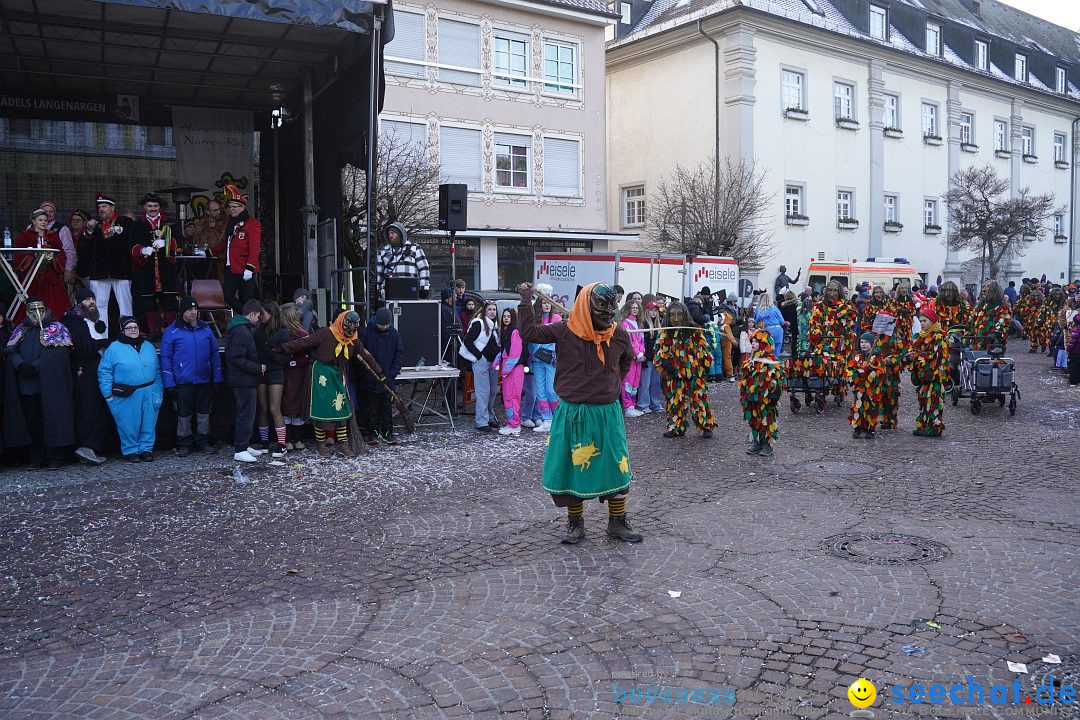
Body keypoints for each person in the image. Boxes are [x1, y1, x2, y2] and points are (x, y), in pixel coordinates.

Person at [517, 281, 640, 544]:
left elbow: (625, 362)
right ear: (586, 306)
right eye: (601, 308)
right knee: (573, 469)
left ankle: (617, 523)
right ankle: (576, 524)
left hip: (607, 415)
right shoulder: (565, 331)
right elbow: (528, 333)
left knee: (616, 468)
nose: (608, 314)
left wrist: (609, 384)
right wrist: (526, 300)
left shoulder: (619, 335)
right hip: (573, 414)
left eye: (612, 308)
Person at [280, 309, 383, 457]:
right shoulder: (325, 333)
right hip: (321, 373)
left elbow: (366, 356)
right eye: (348, 328)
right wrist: (281, 349)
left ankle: (342, 443)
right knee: (322, 411)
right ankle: (320, 444)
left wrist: (380, 373)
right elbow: (303, 343)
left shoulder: (353, 339)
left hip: (337, 373)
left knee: (341, 408)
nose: (350, 331)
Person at [2, 299, 75, 468]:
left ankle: (54, 457)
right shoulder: (21, 330)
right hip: (28, 385)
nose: (36, 314)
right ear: (26, 312)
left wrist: (36, 366)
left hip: (51, 385)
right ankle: (36, 457)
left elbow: (59, 355)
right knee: (32, 423)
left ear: (45, 310)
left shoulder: (57, 329)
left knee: (53, 419)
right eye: (31, 310)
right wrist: (20, 364)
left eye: (39, 310)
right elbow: (10, 350)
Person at [160, 297, 221, 456]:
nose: (194, 312)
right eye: (190, 310)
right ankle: (184, 443)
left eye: (195, 309)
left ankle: (203, 441)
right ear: (182, 312)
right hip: (183, 380)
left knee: (203, 413)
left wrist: (218, 376)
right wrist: (169, 382)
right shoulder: (171, 331)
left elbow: (215, 354)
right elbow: (165, 358)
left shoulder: (206, 328)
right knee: (184, 414)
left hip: (204, 379)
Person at [98, 316, 163, 463]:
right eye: (129, 327)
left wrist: (159, 389)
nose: (133, 330)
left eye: (136, 327)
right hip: (125, 394)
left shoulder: (148, 346)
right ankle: (131, 450)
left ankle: (146, 449)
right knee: (128, 424)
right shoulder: (113, 349)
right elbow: (104, 372)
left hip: (149, 390)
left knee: (149, 422)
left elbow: (158, 370)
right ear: (122, 330)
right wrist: (108, 394)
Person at [61, 288, 111, 465]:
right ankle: (85, 446)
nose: (91, 302)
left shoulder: (94, 320)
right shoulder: (73, 321)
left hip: (96, 369)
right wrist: (102, 343)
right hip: (84, 370)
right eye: (87, 299)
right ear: (78, 302)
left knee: (97, 407)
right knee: (88, 408)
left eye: (93, 298)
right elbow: (79, 348)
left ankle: (91, 447)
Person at [654, 301, 716, 440]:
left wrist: (704, 366)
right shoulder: (665, 333)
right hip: (675, 375)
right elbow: (660, 352)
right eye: (672, 316)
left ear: (685, 316)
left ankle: (706, 425)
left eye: (679, 315)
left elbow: (704, 350)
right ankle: (677, 427)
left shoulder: (694, 331)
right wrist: (666, 363)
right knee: (676, 401)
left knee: (699, 400)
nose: (676, 319)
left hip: (694, 373)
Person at [78, 193, 135, 334]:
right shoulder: (94, 225)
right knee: (98, 306)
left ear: (112, 207)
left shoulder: (125, 222)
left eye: (104, 206)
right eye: (99, 207)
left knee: (125, 307)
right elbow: (83, 247)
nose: (101, 209)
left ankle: (128, 336)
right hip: (99, 272)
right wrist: (89, 230)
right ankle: (99, 340)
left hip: (121, 271)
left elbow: (132, 243)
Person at [130, 192, 180, 337]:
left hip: (166, 268)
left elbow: (181, 242)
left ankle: (171, 332)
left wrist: (167, 242)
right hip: (147, 268)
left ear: (160, 207)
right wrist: (142, 249)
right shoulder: (138, 224)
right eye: (150, 206)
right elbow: (131, 244)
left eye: (155, 205)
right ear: (145, 207)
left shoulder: (169, 222)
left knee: (170, 300)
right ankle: (152, 332)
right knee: (148, 301)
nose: (153, 208)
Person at [225, 300, 266, 463]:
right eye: (257, 316)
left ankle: (244, 445)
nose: (258, 320)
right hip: (243, 380)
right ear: (252, 314)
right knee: (245, 414)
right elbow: (236, 358)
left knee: (246, 414)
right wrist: (258, 367)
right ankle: (240, 449)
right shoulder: (243, 331)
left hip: (242, 379)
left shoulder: (239, 328)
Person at [211, 185, 261, 314]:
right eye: (230, 207)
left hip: (245, 268)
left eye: (234, 207)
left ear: (242, 208)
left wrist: (250, 268)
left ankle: (252, 324)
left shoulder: (252, 223)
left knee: (248, 299)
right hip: (230, 268)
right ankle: (247, 315)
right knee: (227, 296)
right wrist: (208, 252)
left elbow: (254, 248)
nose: (231, 209)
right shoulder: (232, 223)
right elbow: (225, 244)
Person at [358, 307, 404, 445]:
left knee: (386, 407)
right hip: (371, 378)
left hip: (388, 378)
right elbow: (361, 356)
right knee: (372, 407)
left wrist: (392, 373)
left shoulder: (394, 334)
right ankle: (372, 433)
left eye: (386, 325)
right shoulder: (366, 333)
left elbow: (399, 354)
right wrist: (369, 374)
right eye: (381, 324)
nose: (384, 327)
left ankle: (388, 432)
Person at [15, 209, 68, 321]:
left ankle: (54, 322)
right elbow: (18, 253)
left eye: (45, 220)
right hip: (32, 276)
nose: (43, 222)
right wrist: (32, 258)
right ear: (34, 221)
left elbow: (61, 253)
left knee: (55, 303)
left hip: (50, 275)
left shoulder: (52, 236)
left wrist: (53, 259)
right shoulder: (25, 235)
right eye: (40, 220)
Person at [739, 328, 783, 456]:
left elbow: (777, 379)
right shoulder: (750, 361)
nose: (752, 343)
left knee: (766, 419)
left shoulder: (770, 361)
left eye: (755, 341)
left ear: (763, 344)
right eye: (752, 341)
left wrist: (773, 396)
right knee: (754, 419)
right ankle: (757, 442)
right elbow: (746, 378)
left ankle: (767, 444)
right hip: (752, 397)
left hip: (766, 398)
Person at [459, 301, 501, 432]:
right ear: (485, 311)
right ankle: (481, 421)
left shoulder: (496, 325)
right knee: (483, 392)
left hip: (493, 362)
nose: (492, 312)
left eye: (494, 309)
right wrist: (478, 355)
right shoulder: (479, 322)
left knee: (493, 391)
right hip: (481, 361)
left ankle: (488, 416)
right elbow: (468, 340)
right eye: (490, 309)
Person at [907, 305, 949, 437]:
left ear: (932, 321)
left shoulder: (939, 336)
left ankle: (934, 428)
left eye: (924, 321)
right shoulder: (921, 335)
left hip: (934, 376)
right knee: (924, 400)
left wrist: (918, 356)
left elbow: (936, 356)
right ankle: (924, 426)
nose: (922, 324)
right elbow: (915, 348)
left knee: (934, 401)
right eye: (921, 321)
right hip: (923, 376)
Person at [254, 300, 289, 457]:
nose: (260, 315)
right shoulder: (258, 331)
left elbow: (286, 357)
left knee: (275, 408)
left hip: (275, 371)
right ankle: (264, 443)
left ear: (272, 314)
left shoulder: (283, 333)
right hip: (261, 372)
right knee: (263, 408)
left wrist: (273, 355)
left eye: (263, 313)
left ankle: (282, 444)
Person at [279, 303, 311, 450]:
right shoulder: (284, 334)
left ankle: (296, 439)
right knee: (287, 405)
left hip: (296, 374)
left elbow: (308, 356)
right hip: (289, 373)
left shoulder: (302, 335)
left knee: (295, 404)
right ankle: (291, 440)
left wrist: (291, 363)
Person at [529, 295, 561, 431]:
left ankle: (558, 419)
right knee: (540, 392)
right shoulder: (535, 320)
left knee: (552, 391)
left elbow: (562, 340)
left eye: (549, 303)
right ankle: (547, 419)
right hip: (536, 360)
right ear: (539, 304)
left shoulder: (557, 319)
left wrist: (557, 356)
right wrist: (529, 358)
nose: (546, 305)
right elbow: (529, 340)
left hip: (551, 361)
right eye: (543, 302)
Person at [375, 222, 430, 299]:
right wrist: (377, 289)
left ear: (400, 234)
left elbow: (424, 268)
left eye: (393, 233)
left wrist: (424, 287)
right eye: (389, 233)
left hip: (410, 290)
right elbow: (379, 273)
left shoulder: (414, 248)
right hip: (390, 292)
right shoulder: (383, 251)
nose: (390, 235)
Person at [495, 308, 525, 435]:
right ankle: (510, 422)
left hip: (514, 369)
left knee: (513, 396)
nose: (506, 318)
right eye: (504, 316)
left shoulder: (515, 332)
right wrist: (498, 361)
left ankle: (515, 424)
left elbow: (515, 353)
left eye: (509, 316)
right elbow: (504, 350)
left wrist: (506, 369)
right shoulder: (506, 331)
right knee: (507, 396)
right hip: (508, 369)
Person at [38, 201, 78, 289]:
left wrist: (68, 270)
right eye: (45, 211)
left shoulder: (62, 228)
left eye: (51, 211)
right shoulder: (31, 227)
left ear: (54, 214)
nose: (48, 214)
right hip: (35, 270)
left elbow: (69, 251)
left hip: (55, 270)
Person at [635, 299, 665, 413]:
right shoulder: (643, 324)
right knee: (645, 383)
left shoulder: (659, 323)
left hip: (657, 358)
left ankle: (655, 403)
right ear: (647, 312)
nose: (654, 313)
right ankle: (643, 404)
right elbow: (641, 342)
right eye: (651, 310)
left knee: (656, 382)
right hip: (647, 358)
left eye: (655, 311)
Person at [619, 299, 646, 417]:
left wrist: (642, 352)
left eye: (637, 308)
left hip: (638, 358)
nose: (635, 310)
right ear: (628, 309)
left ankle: (632, 405)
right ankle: (627, 406)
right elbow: (630, 341)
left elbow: (641, 341)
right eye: (633, 307)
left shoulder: (639, 324)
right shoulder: (625, 323)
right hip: (630, 357)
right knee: (628, 382)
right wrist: (637, 353)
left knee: (635, 382)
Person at [970, 280, 1011, 351]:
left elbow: (1002, 322)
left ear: (995, 290)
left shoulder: (1003, 306)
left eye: (988, 287)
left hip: (992, 343)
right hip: (977, 342)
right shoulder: (980, 306)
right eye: (983, 287)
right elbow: (971, 321)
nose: (984, 289)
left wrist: (995, 333)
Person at [753, 292, 785, 360]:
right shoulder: (775, 309)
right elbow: (782, 322)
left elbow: (755, 321)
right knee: (776, 351)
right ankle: (775, 367)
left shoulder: (758, 310)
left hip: (767, 331)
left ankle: (767, 367)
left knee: (767, 351)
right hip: (778, 330)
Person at [1067, 313, 1080, 385]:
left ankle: (1073, 380)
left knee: (1073, 366)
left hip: (1075, 351)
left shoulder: (1076, 329)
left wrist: (1068, 350)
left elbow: (1072, 341)